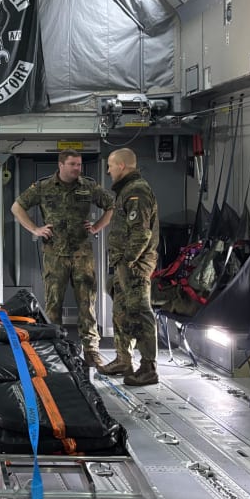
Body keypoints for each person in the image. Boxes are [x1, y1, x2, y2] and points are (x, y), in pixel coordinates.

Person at [11, 150, 113, 367]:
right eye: (73, 164)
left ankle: (91, 350)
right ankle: (54, 349)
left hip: (82, 254)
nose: (78, 168)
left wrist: (96, 227)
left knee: (87, 303)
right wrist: (35, 229)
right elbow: (17, 207)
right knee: (53, 304)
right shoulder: (43, 187)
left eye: (79, 164)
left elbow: (112, 206)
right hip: (54, 255)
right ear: (61, 165)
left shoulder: (88, 186)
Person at [98, 148, 160, 386]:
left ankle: (148, 368)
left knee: (140, 314)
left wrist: (128, 262)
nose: (108, 170)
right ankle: (124, 360)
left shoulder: (136, 191)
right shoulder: (126, 190)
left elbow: (141, 232)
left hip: (134, 267)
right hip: (124, 265)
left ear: (122, 166)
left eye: (111, 166)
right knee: (122, 314)